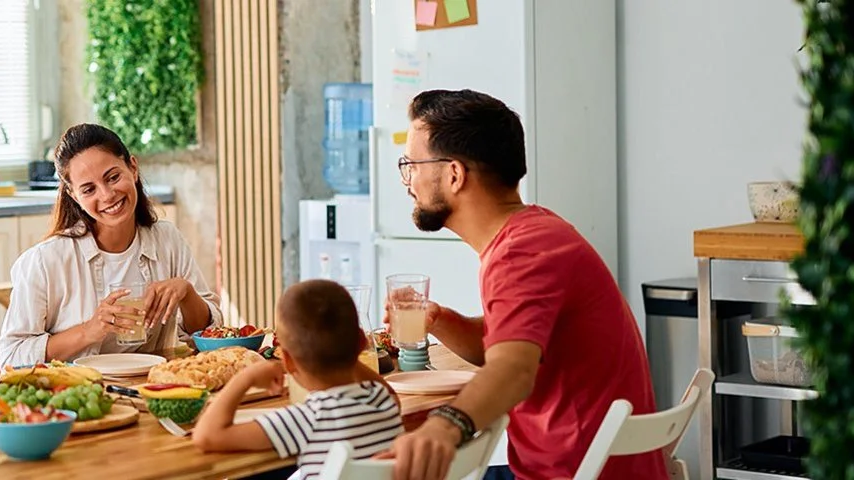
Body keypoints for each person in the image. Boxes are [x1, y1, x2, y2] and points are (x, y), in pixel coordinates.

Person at [375, 89, 663, 480]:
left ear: (454, 175)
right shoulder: (537, 231)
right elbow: (512, 348)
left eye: (412, 164)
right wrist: (440, 320)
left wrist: (443, 426)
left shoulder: (519, 253)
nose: (407, 180)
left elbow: (512, 371)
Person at [0, 123, 222, 366]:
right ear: (74, 195)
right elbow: (11, 355)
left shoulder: (167, 240)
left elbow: (210, 333)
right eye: (89, 189)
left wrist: (187, 293)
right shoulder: (44, 261)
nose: (106, 195)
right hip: (76, 395)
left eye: (113, 177)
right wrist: (90, 330)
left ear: (133, 168)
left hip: (149, 387)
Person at [194, 279, 402, 480]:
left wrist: (245, 377)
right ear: (361, 343)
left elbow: (206, 436)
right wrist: (346, 348)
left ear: (287, 361)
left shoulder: (305, 419)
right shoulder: (382, 399)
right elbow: (387, 390)